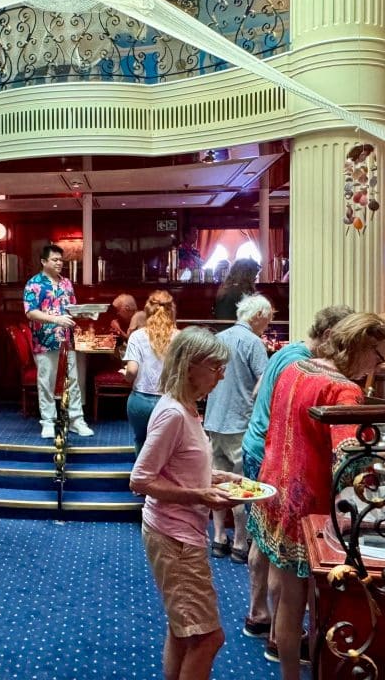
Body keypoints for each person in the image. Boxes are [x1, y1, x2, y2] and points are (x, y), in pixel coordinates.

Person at [247, 313, 385, 678]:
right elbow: (348, 457)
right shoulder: (343, 389)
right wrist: (381, 460)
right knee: (306, 598)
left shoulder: (295, 368)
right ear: (360, 347)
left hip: (276, 487)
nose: (379, 365)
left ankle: (289, 670)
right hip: (309, 502)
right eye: (379, 356)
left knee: (288, 592)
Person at [130, 326, 244, 680]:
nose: (221, 375)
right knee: (209, 637)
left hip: (180, 531)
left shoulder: (187, 408)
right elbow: (140, 480)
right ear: (189, 365)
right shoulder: (174, 413)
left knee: (184, 631)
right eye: (215, 367)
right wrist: (199, 494)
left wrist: (214, 478)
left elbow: (179, 466)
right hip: (174, 536)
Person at [238, 305, 354, 642]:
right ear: (332, 337)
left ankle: (259, 615)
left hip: (259, 445)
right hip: (273, 453)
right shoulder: (303, 364)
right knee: (281, 554)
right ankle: (278, 632)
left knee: (263, 538)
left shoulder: (289, 351)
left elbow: (260, 391)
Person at [203, 294, 272, 563]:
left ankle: (219, 538)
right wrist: (255, 402)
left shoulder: (220, 338)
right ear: (257, 316)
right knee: (240, 483)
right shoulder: (253, 342)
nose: (267, 326)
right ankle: (240, 544)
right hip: (239, 421)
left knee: (217, 480)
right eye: (267, 321)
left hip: (214, 419)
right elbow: (264, 379)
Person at [23, 244, 93, 438]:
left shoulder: (66, 284)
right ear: (43, 261)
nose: (59, 263)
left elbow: (72, 308)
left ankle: (76, 420)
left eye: (61, 260)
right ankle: (48, 421)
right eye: (55, 260)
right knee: (46, 381)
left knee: (73, 381)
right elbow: (30, 312)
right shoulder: (34, 284)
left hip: (66, 340)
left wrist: (87, 313)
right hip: (44, 340)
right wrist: (56, 319)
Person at [121, 290, 177, 454]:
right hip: (170, 401)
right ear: (171, 311)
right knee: (168, 446)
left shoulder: (137, 336)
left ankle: (141, 477)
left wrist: (126, 376)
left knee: (141, 440)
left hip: (141, 400)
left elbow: (132, 370)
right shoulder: (180, 337)